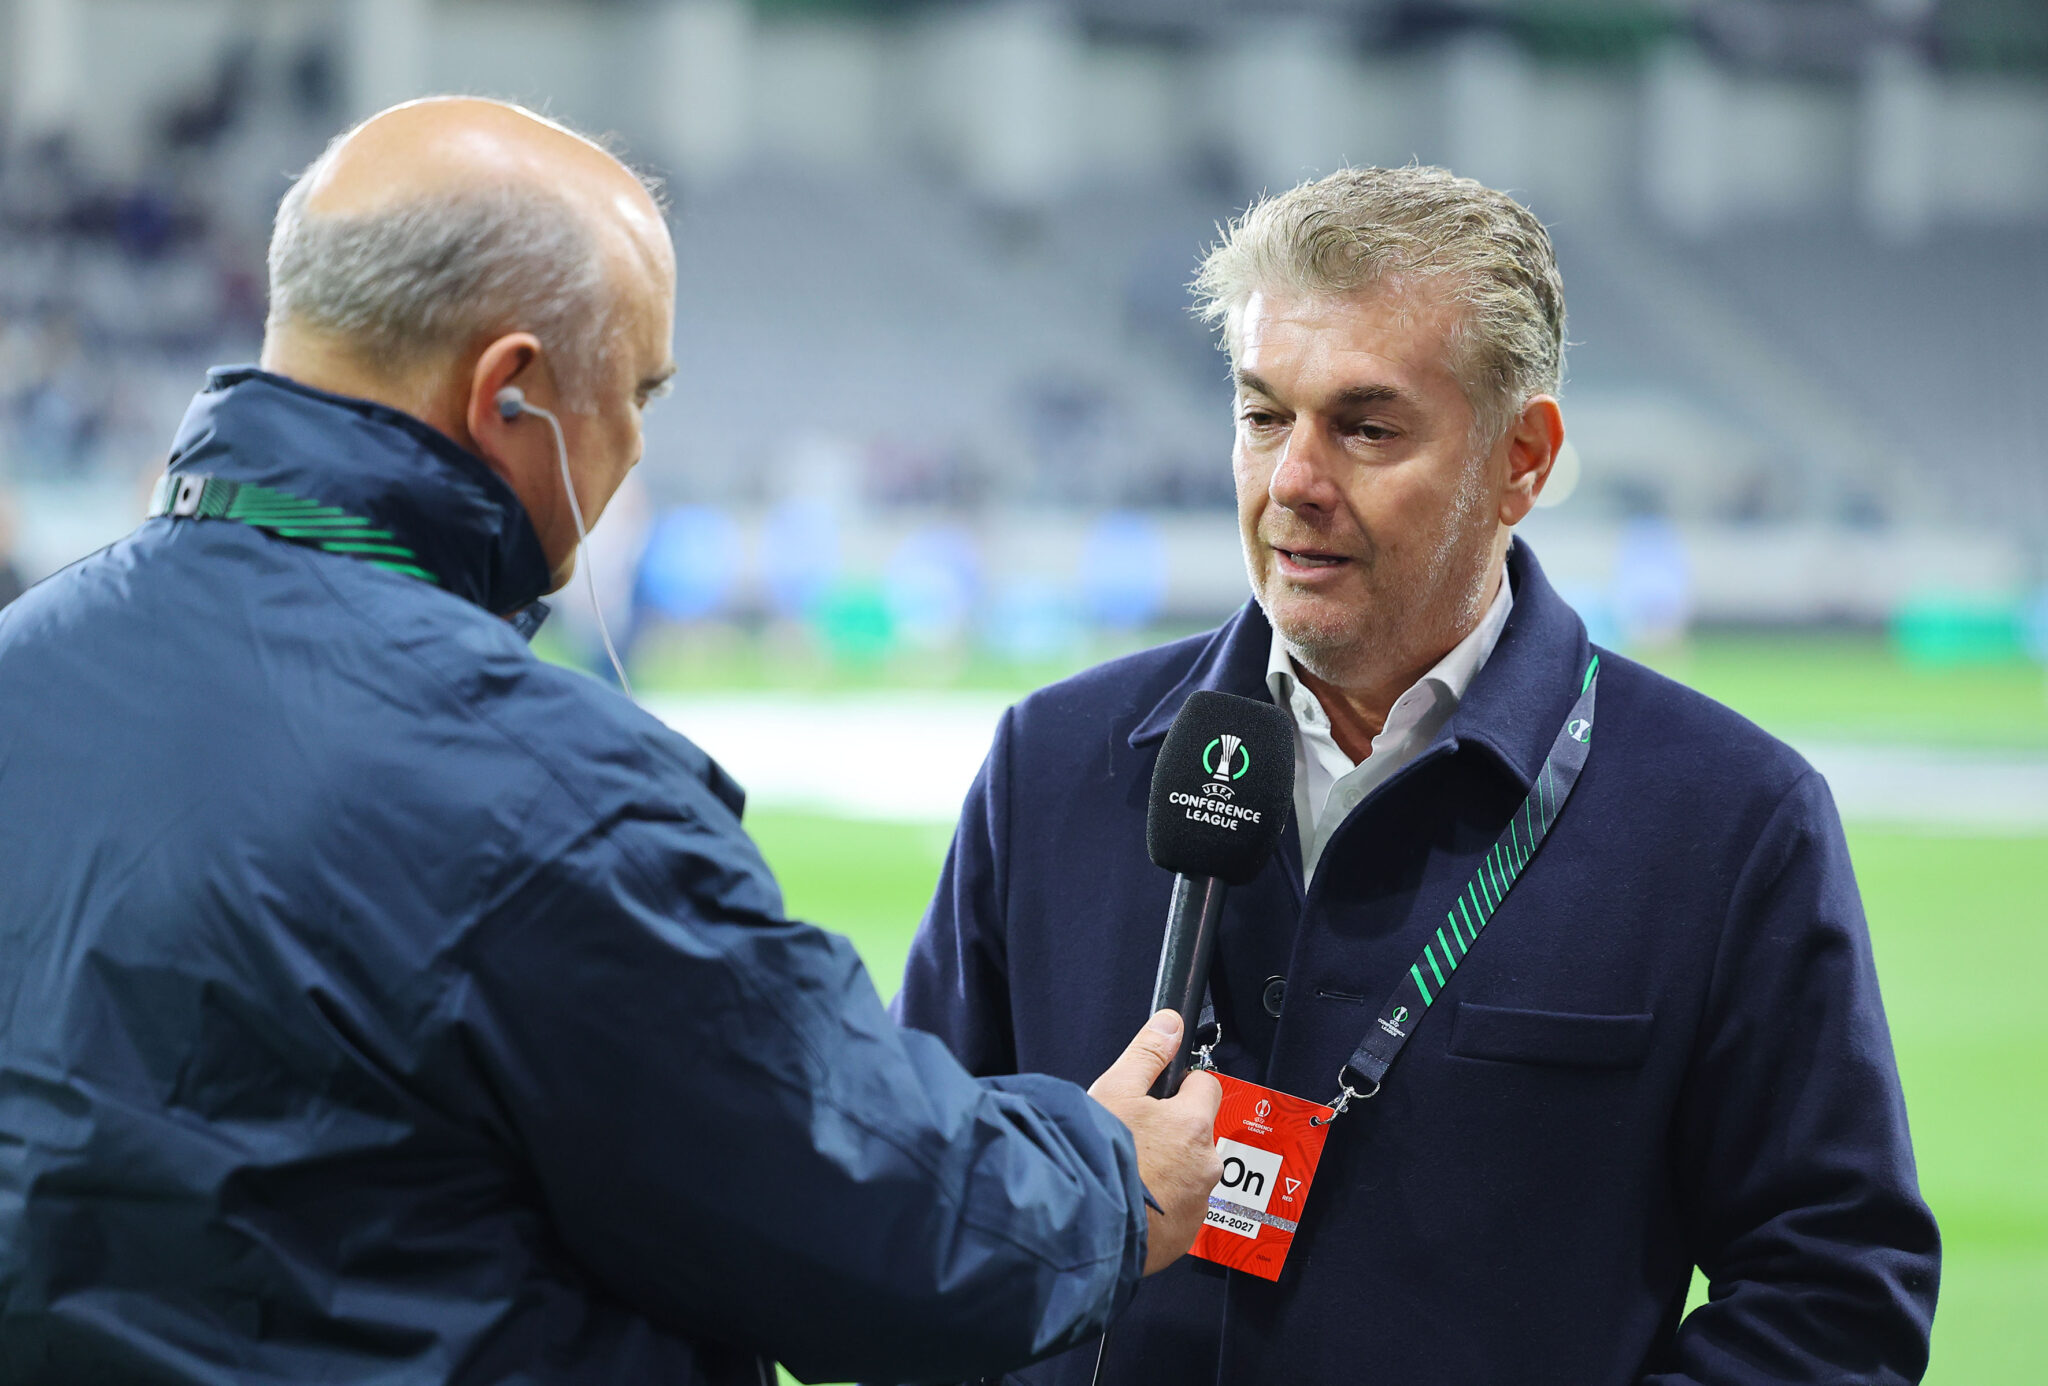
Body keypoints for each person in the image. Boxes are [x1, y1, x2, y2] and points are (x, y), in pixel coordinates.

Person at [0, 98, 1225, 1386]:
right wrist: (1106, 1182)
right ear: (508, 393)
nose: (635, 447)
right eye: (634, 394)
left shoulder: (27, 658)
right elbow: (868, 1227)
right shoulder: (537, 784)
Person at [895, 166, 1940, 1386]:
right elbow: (907, 1211)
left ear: (1520, 460)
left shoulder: (1730, 822)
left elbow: (1833, 1300)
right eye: (1262, 416)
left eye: (1365, 428)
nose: (1293, 480)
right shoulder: (1051, 765)